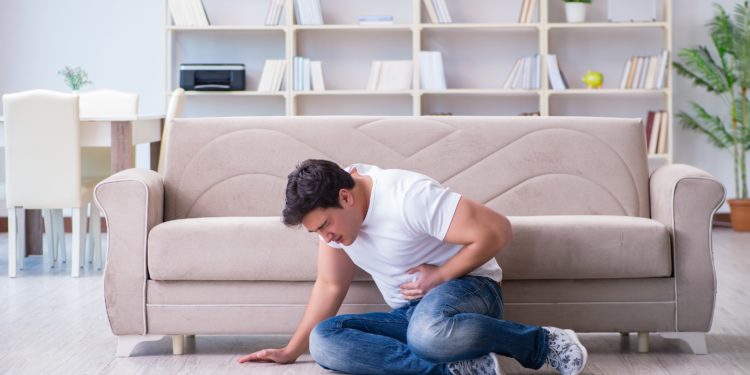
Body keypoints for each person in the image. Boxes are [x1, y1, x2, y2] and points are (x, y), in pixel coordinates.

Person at [238, 159, 587, 375]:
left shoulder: (408, 196)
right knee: (325, 341)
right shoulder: (332, 222)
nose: (327, 238)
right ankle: (454, 368)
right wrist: (290, 350)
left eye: (326, 226)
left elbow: (498, 230)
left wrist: (441, 274)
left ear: (346, 197)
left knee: (428, 332)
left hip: (469, 289)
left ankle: (542, 343)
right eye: (317, 233)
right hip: (410, 314)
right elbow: (330, 284)